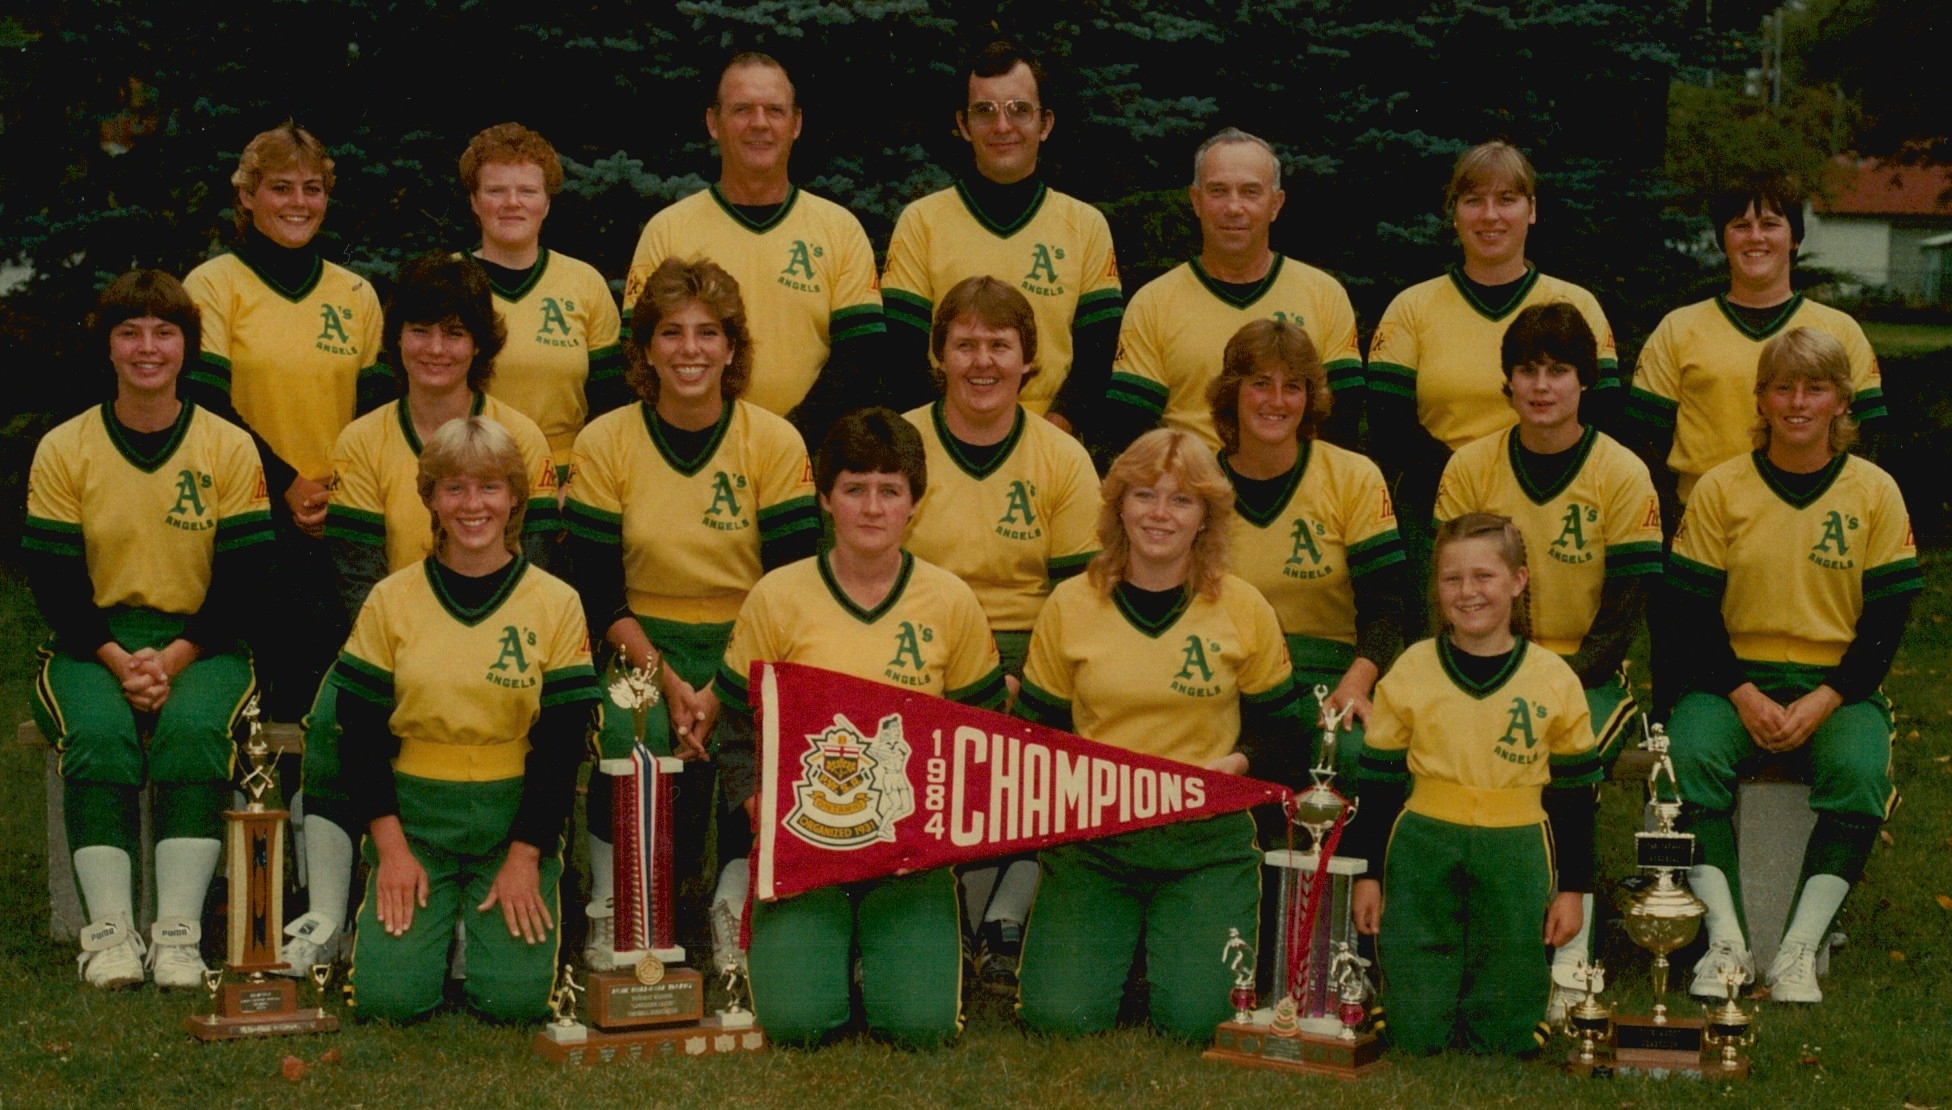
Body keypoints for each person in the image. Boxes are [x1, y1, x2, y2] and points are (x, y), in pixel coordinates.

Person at [289, 251, 560, 973]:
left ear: (480, 344)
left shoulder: (521, 436)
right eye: (419, 330)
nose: (435, 348)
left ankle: (477, 901)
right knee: (332, 721)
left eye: (454, 332)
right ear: (396, 339)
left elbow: (537, 566)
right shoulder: (363, 439)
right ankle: (329, 912)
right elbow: (355, 571)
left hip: (502, 640)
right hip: (392, 640)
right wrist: (403, 650)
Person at [715, 408, 1006, 1048]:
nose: (872, 508)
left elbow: (983, 734)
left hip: (907, 854)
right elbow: (734, 727)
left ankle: (890, 948)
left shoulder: (950, 600)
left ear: (914, 503)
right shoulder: (777, 596)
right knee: (798, 1024)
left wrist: (937, 832)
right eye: (854, 489)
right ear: (825, 498)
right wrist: (761, 809)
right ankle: (825, 951)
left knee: (919, 1026)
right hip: (806, 842)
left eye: (889, 490)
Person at [566, 256, 818, 969]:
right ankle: (616, 907)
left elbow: (792, 587)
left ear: (733, 348)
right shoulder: (606, 441)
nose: (690, 350)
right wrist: (669, 680)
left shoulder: (774, 440)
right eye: (671, 332)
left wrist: (721, 688)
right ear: (646, 349)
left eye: (709, 333)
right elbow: (597, 590)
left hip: (750, 642)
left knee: (759, 734)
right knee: (629, 725)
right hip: (640, 640)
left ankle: (732, 904)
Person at [26, 271, 272, 988]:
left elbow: (246, 580)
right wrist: (117, 657)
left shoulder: (228, 445)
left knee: (193, 729)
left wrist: (173, 658)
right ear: (107, 347)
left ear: (186, 347)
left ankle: (177, 937)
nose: (147, 348)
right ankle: (108, 936)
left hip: (203, 642)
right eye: (129, 332)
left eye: (165, 332)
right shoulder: (65, 446)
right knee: (99, 732)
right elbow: (55, 581)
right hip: (93, 642)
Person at [1014, 428, 1300, 1043]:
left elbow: (1286, 735)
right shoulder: (1069, 604)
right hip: (1095, 841)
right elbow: (1037, 734)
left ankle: (1163, 961)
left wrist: (1239, 763)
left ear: (1206, 517)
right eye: (1144, 495)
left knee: (1200, 1023)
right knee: (1060, 1019)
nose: (1160, 514)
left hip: (1204, 844)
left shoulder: (1243, 606)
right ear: (1118, 505)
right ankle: (1120, 959)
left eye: (1181, 500)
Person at [1666, 327, 1918, 1005]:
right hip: (1731, 680)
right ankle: (1726, 944)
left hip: (1835, 686)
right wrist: (1742, 693)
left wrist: (1829, 696)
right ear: (1761, 399)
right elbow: (1690, 611)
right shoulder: (1721, 488)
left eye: (1815, 388)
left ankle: (1798, 949)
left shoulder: (1874, 490)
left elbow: (1887, 620)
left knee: (1860, 770)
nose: (1798, 402)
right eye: (1783, 388)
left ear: (1842, 400)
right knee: (1686, 757)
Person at [1432, 303, 1661, 1015]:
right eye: (1527, 370)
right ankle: (1454, 936)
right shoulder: (1472, 465)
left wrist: (1547, 681)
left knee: (1566, 756)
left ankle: (1571, 958)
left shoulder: (1621, 472)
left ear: (1584, 381)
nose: (1541, 386)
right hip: (1482, 658)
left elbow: (1623, 612)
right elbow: (1450, 589)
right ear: (1507, 381)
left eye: (1558, 370)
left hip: (1586, 674)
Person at [336, 417, 600, 1022]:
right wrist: (391, 851)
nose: (472, 505)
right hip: (417, 821)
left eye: (489, 487)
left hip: (511, 821)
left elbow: (562, 746)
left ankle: (474, 938)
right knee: (389, 1002)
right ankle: (434, 936)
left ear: (515, 497)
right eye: (454, 488)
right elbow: (360, 737)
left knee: (516, 1003)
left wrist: (526, 855)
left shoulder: (556, 602)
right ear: (430, 498)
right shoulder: (391, 599)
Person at [900, 275, 1100, 988]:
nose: (982, 362)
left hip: (1031, 641)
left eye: (999, 345)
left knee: (1055, 723)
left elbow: (1080, 596)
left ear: (1027, 359)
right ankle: (939, 906)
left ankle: (1006, 907)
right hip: (920, 641)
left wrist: (1026, 678)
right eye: (965, 345)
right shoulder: (903, 441)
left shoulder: (1062, 457)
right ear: (938, 356)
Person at [1348, 513, 1600, 1056]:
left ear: (1518, 581)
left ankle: (1503, 1011)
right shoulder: (1412, 669)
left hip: (1517, 846)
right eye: (1452, 578)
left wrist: (1572, 890)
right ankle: (1417, 1003)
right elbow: (1379, 786)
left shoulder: (1554, 679)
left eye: (1484, 576)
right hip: (1423, 844)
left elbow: (1576, 798)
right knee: (1415, 1034)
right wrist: (1369, 876)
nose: (1468, 592)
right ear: (1436, 587)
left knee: (1505, 1037)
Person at [182, 123, 385, 720]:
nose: (299, 203)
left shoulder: (356, 294)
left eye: (312, 189)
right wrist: (287, 483)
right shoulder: (213, 285)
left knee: (332, 697)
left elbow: (376, 415)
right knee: (257, 697)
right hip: (248, 516)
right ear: (247, 196)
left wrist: (338, 491)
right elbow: (208, 406)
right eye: (280, 188)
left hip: (337, 519)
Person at [1366, 141, 1617, 626]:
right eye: (1473, 200)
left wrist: (1525, 481)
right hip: (1441, 509)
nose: (1490, 215)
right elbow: (1389, 428)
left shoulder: (1577, 304)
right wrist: (1471, 483)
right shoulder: (1411, 308)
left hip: (1554, 501)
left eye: (1507, 199)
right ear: (1454, 213)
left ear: (1532, 211)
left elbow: (1602, 416)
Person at [621, 53, 885, 449]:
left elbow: (859, 359)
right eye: (742, 109)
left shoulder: (840, 229)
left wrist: (785, 443)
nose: (759, 123)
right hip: (698, 451)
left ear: (796, 124)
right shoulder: (669, 230)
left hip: (810, 453)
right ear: (714, 123)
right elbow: (639, 353)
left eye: (774, 110)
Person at [882, 39, 1123, 439]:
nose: (1002, 127)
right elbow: (903, 358)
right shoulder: (921, 222)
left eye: (1019, 110)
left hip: (1052, 442)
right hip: (943, 440)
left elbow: (1097, 359)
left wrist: (1050, 437)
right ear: (964, 125)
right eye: (985, 111)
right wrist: (955, 434)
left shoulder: (1086, 226)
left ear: (1045, 124)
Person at [1210, 319, 1405, 787]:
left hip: (1327, 673)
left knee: (1359, 759)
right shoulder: (1198, 481)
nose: (1276, 401)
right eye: (1261, 384)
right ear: (1233, 392)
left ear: (1310, 398)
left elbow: (1388, 606)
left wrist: (1356, 684)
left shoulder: (1353, 477)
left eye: (1293, 387)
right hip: (1225, 677)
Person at [1628, 175, 1885, 523]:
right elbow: (1645, 443)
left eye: (1770, 224)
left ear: (1794, 238)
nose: (1755, 237)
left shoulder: (1841, 331)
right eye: (1740, 225)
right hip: (1704, 521)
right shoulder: (1677, 329)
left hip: (1810, 520)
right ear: (1723, 239)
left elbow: (1865, 440)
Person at [1107, 128, 1364, 455]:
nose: (1233, 207)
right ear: (1196, 201)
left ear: (1275, 204)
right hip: (1191, 483)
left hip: (1298, 484)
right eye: (1218, 191)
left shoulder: (1324, 295)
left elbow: (1341, 426)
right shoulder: (1153, 303)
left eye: (1250, 192)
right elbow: (1132, 433)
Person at [462, 122, 629, 460]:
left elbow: (611, 405)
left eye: (527, 191)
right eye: (495, 191)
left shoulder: (585, 283)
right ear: (474, 201)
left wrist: (583, 475)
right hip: (467, 470)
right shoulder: (444, 280)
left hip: (564, 476)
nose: (512, 203)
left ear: (547, 203)